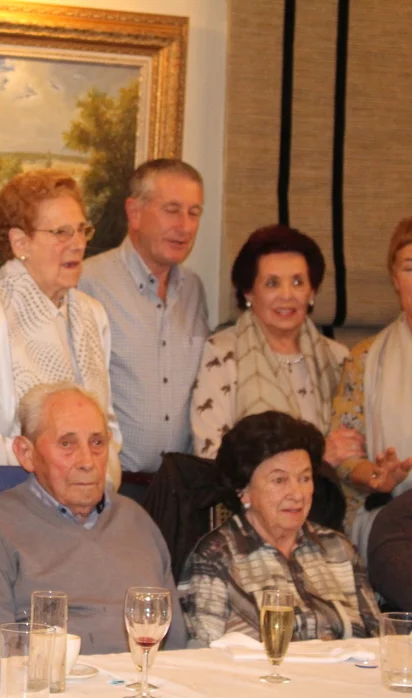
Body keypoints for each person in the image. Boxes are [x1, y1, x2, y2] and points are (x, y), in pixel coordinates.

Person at [0, 383, 184, 658]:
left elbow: (177, 647)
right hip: (48, 683)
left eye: (97, 443)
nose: (87, 461)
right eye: (67, 444)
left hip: (140, 682)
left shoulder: (138, 522)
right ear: (26, 453)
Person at [0, 170, 121, 487]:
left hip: (86, 503)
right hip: (1, 502)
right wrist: (59, 470)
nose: (79, 244)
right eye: (62, 233)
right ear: (20, 242)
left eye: (82, 230)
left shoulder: (94, 315)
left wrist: (93, 480)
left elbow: (108, 427)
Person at [179, 411, 380, 646]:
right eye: (279, 480)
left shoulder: (338, 548)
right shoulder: (216, 556)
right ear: (244, 490)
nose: (297, 494)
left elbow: (379, 640)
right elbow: (203, 654)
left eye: (304, 479)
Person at [78, 159, 209, 503]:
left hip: (182, 492)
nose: (185, 226)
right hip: (113, 490)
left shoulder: (194, 290)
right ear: (134, 213)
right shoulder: (88, 284)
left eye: (194, 213)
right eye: (172, 210)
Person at [191, 225, 360, 466]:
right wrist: (320, 458)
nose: (287, 295)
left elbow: (353, 447)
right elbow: (211, 458)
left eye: (298, 282)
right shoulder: (221, 353)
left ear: (312, 291)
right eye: (272, 283)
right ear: (249, 293)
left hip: (332, 490)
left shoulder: (339, 358)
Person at [331, 217, 412, 553]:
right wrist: (378, 477)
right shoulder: (365, 359)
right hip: (393, 521)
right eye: (410, 267)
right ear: (394, 278)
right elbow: (345, 456)